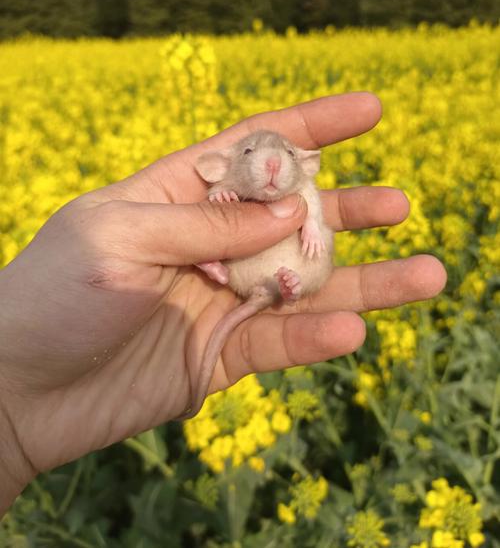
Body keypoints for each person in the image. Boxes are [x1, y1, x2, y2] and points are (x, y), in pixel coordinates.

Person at [0, 92, 446, 513]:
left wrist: (309, 226)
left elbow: (310, 208)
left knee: (314, 261)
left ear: (305, 164)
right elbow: (220, 192)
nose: (271, 166)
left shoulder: (304, 191)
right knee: (258, 271)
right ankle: (230, 272)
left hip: (288, 270)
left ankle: (280, 285)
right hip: (244, 273)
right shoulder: (224, 182)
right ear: (226, 166)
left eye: (286, 157)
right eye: (252, 155)